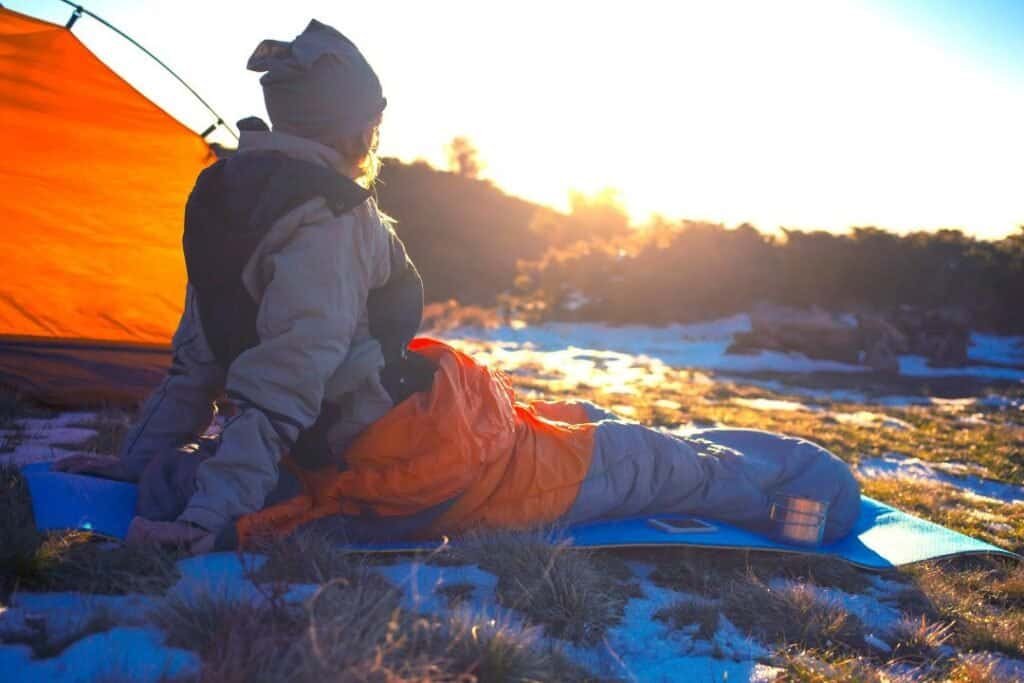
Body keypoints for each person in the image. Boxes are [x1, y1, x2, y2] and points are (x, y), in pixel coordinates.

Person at [56, 20, 861, 553]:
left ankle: (637, 436)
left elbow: (197, 360)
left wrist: (143, 464)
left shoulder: (223, 197)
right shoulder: (330, 218)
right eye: (372, 122)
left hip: (422, 423)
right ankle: (815, 490)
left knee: (584, 419)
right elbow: (283, 382)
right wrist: (205, 519)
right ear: (355, 127)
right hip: (427, 463)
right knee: (645, 461)